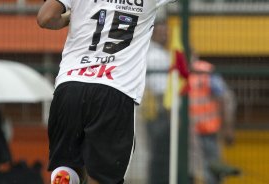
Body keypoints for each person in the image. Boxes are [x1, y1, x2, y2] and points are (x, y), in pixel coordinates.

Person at [37, 0, 176, 184]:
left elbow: (45, 18)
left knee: (67, 168)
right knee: (103, 177)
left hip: (70, 87)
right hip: (114, 89)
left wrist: (69, 18)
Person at [189, 60, 240, 184]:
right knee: (191, 170)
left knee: (212, 169)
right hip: (189, 135)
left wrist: (228, 128)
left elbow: (226, 99)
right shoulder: (179, 71)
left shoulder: (206, 72)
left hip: (208, 132)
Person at [142, 20, 171, 184]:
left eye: (167, 31)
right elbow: (161, 90)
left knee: (156, 152)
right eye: (162, 32)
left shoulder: (151, 52)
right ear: (153, 33)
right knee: (161, 153)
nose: (165, 35)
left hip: (152, 113)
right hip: (159, 113)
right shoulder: (157, 56)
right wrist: (171, 113)